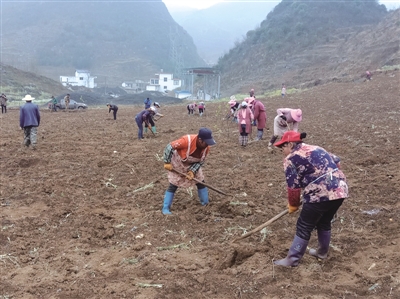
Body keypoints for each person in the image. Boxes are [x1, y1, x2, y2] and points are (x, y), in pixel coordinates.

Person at [273, 131, 348, 267]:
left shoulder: (291, 158)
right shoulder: (317, 148)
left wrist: (293, 205)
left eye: (283, 147)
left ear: (290, 144)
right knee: (324, 221)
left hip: (319, 194)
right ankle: (322, 252)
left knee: (304, 225)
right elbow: (337, 162)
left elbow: (293, 187)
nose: (282, 151)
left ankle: (292, 259)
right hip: (340, 190)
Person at [162, 127, 216, 215]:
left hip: (192, 164)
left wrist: (192, 171)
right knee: (173, 185)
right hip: (178, 163)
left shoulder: (206, 148)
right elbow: (169, 147)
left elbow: (201, 161)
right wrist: (167, 162)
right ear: (200, 140)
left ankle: (205, 204)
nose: (207, 145)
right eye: (206, 142)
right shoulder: (186, 141)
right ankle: (165, 208)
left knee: (201, 182)